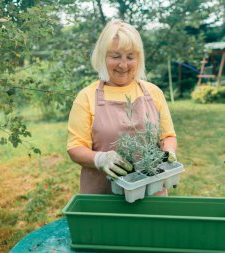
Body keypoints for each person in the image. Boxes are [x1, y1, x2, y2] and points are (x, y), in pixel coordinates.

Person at [67, 20, 177, 195]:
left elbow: (168, 136)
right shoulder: (86, 97)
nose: (123, 65)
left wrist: (169, 151)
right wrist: (100, 159)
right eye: (116, 56)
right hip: (104, 197)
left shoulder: (153, 92)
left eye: (130, 57)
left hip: (151, 193)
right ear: (103, 56)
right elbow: (75, 149)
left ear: (138, 58)